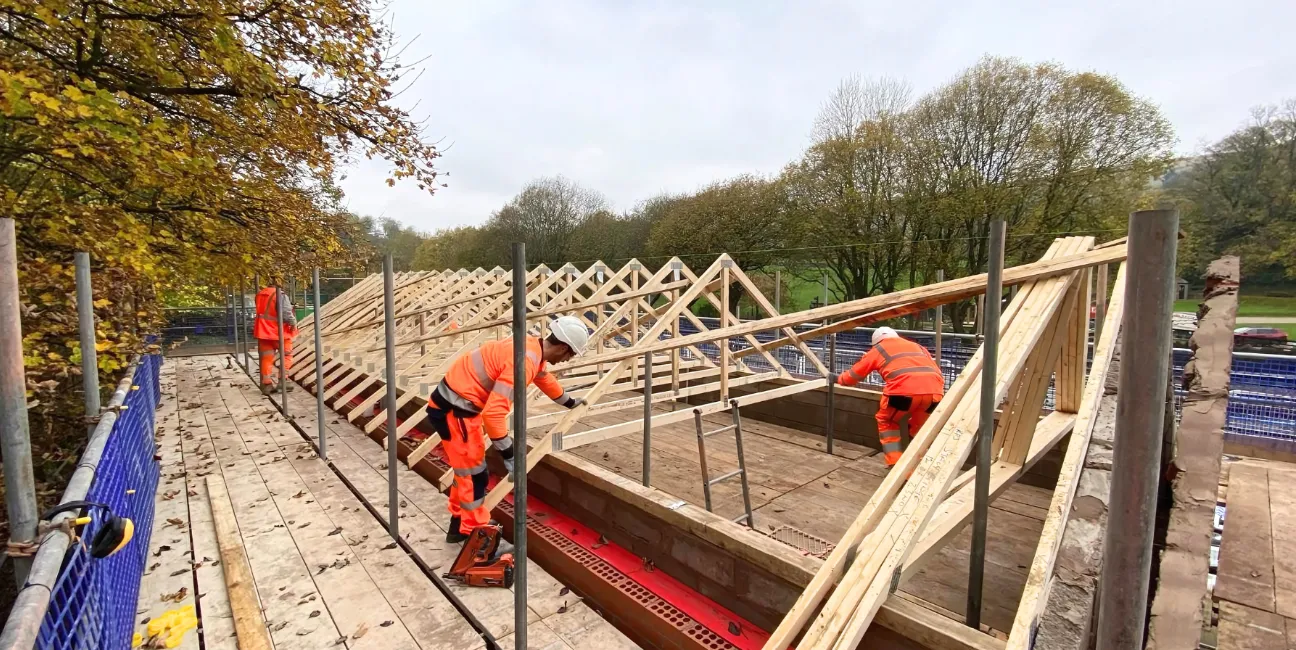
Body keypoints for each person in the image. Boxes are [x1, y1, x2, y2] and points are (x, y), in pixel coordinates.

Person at [427, 316, 590, 543]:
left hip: (456, 405)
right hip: (456, 410)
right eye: (570, 355)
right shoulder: (522, 363)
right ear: (563, 348)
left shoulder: (531, 347)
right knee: (474, 475)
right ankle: (477, 534)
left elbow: (543, 378)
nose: (567, 360)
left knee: (466, 472)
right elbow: (493, 415)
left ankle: (459, 524)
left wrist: (568, 401)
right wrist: (509, 453)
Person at [837, 327, 944, 468]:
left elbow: (851, 378)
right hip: (935, 393)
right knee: (920, 425)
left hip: (903, 394)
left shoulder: (878, 350)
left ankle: (895, 463)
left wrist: (838, 379)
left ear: (876, 342)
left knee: (887, 421)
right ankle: (919, 460)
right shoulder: (918, 347)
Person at [253, 281, 297, 393]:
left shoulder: (260, 294)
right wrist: (293, 323)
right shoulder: (280, 295)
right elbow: (286, 313)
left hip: (263, 332)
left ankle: (266, 384)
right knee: (286, 355)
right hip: (279, 332)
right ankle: (283, 381)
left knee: (266, 358)